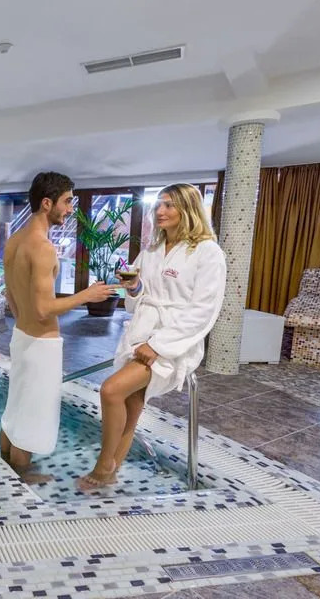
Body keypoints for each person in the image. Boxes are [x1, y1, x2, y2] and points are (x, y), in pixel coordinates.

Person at [77, 183, 226, 491]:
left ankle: (104, 465)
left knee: (111, 390)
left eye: (169, 205)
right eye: (158, 204)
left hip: (174, 343)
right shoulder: (152, 250)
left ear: (188, 209)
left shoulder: (208, 253)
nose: (160, 211)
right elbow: (138, 299)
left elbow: (203, 311)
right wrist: (133, 289)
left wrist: (158, 345)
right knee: (131, 404)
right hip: (140, 335)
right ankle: (110, 474)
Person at [1, 171, 120, 484]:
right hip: (41, 343)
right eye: (67, 202)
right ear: (46, 203)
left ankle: (6, 467)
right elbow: (43, 309)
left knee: (16, 405)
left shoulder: (14, 241)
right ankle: (22, 477)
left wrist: (24, 322)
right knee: (32, 412)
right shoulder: (42, 247)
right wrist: (86, 295)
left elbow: (10, 294)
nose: (70, 209)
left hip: (22, 336)